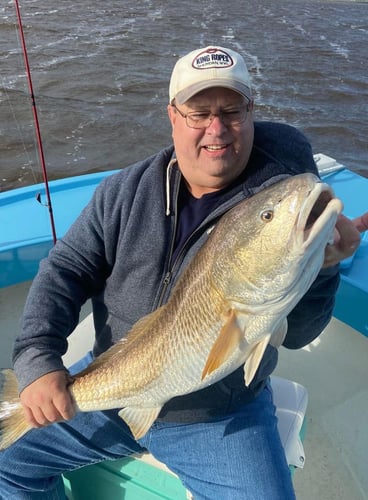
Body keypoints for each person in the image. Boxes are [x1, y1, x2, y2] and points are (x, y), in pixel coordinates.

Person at [0, 45, 367, 500]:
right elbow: (66, 268)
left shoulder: (277, 185)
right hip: (111, 385)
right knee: (5, 463)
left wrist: (324, 268)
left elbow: (296, 335)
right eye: (198, 112)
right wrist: (37, 360)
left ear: (251, 113)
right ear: (172, 115)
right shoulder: (123, 192)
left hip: (220, 415)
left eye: (232, 110)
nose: (217, 129)